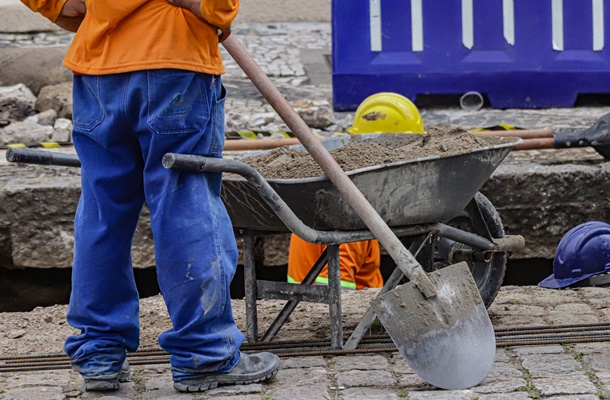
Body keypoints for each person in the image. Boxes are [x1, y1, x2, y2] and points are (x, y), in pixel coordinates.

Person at [20, 0, 279, 393]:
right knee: (184, 203)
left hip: (99, 70)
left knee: (102, 211)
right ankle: (204, 353)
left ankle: (99, 350)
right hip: (175, 59)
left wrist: (58, 4)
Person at [287, 92, 424, 290]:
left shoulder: (339, 190)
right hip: (339, 312)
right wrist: (375, 322)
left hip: (305, 300)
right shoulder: (350, 211)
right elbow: (335, 289)